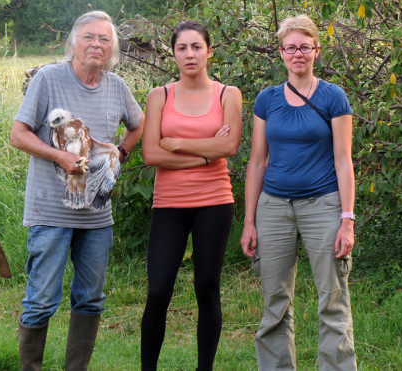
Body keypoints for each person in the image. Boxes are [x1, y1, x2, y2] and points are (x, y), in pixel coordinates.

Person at [10, 10, 144, 371]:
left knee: (90, 299)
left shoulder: (116, 86)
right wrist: (60, 157)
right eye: (89, 37)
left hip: (98, 215)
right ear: (73, 42)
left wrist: (119, 155)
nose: (97, 44)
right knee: (41, 299)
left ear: (112, 48)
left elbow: (138, 123)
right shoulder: (49, 78)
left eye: (104, 39)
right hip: (50, 210)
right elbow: (18, 134)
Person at [240, 14, 357, 371]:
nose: (298, 54)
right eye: (290, 47)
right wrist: (249, 221)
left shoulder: (333, 97)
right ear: (281, 53)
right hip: (273, 208)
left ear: (316, 50)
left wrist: (346, 220)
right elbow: (257, 162)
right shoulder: (267, 100)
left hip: (323, 205)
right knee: (275, 300)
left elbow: (343, 161)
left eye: (305, 47)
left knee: (332, 299)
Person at [140, 20, 243, 371]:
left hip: (214, 202)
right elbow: (151, 154)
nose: (189, 54)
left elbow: (229, 145)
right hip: (169, 204)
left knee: (207, 286)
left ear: (209, 51)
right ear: (173, 54)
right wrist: (205, 153)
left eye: (196, 46)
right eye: (182, 48)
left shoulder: (228, 94)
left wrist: (181, 143)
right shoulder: (160, 96)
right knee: (157, 291)